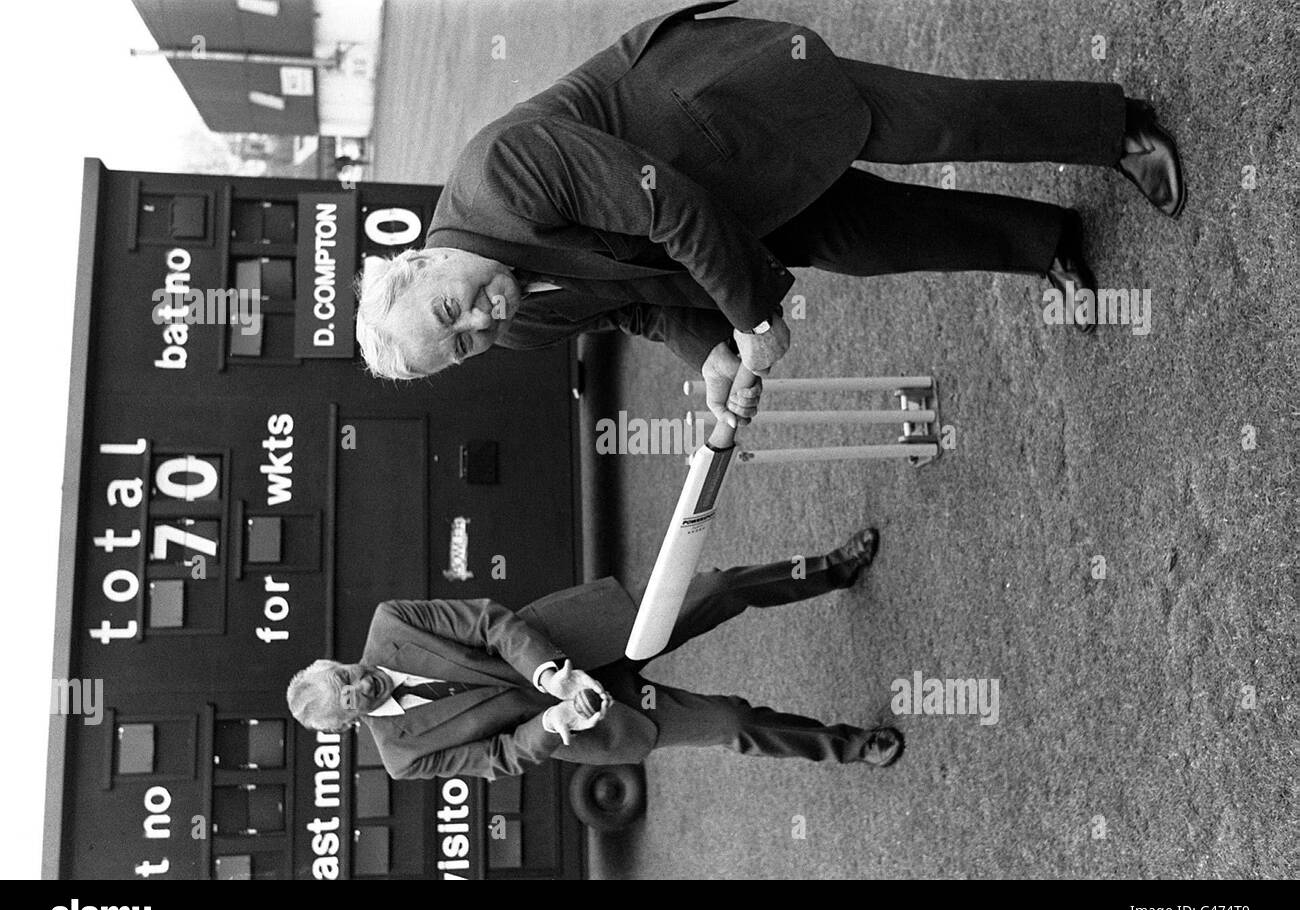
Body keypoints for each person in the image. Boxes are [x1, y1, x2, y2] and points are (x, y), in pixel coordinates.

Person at [353, 0, 1184, 426]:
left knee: (933, 120)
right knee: (876, 241)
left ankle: (1117, 128)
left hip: (726, 107)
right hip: (729, 219)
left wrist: (750, 312)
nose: (481, 321)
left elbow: (662, 201)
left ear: (422, 261)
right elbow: (634, 302)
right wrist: (710, 353)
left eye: (452, 311)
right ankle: (1048, 243)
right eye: (461, 346)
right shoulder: (518, 326)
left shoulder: (501, 173)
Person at [286, 528, 902, 780]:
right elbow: (497, 757)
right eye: (347, 701)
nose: (358, 686)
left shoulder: (391, 622)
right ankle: (853, 746)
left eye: (345, 675)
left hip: (577, 640)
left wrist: (550, 671)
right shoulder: (401, 757)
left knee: (716, 589)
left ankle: (832, 570)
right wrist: (555, 719)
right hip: (589, 717)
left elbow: (488, 623)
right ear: (345, 726)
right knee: (732, 726)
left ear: (336, 659)